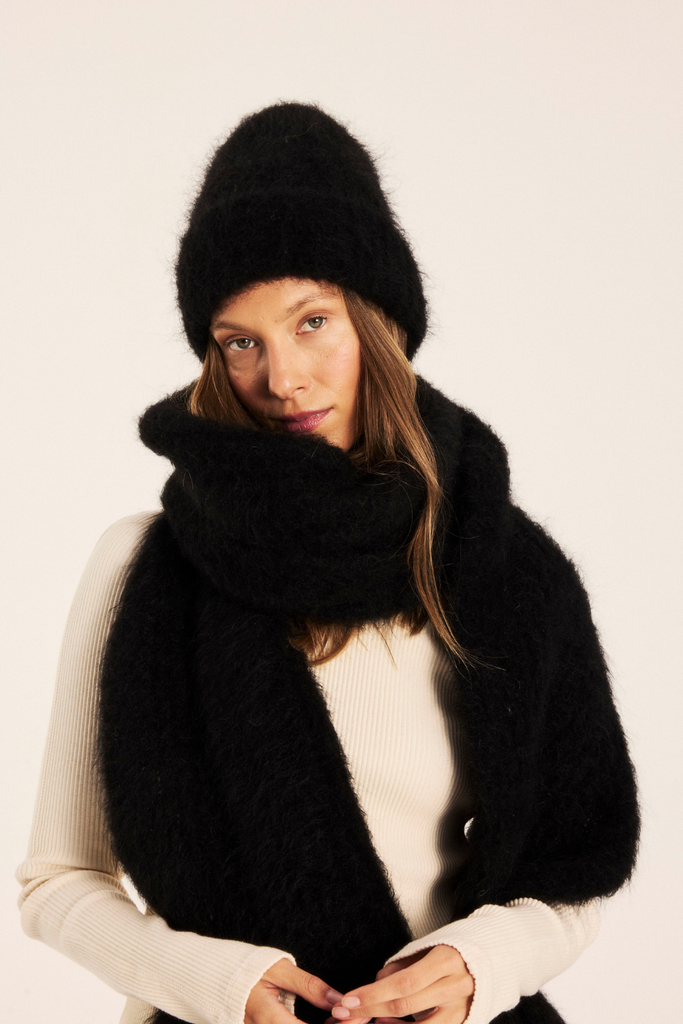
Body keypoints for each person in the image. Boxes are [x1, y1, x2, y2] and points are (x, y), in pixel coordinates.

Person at [16, 101, 640, 1024]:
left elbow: (575, 866)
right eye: (241, 341)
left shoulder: (505, 565)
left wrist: (480, 963)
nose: (282, 379)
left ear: (378, 321)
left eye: (312, 321)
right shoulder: (144, 564)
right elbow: (57, 881)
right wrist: (219, 986)